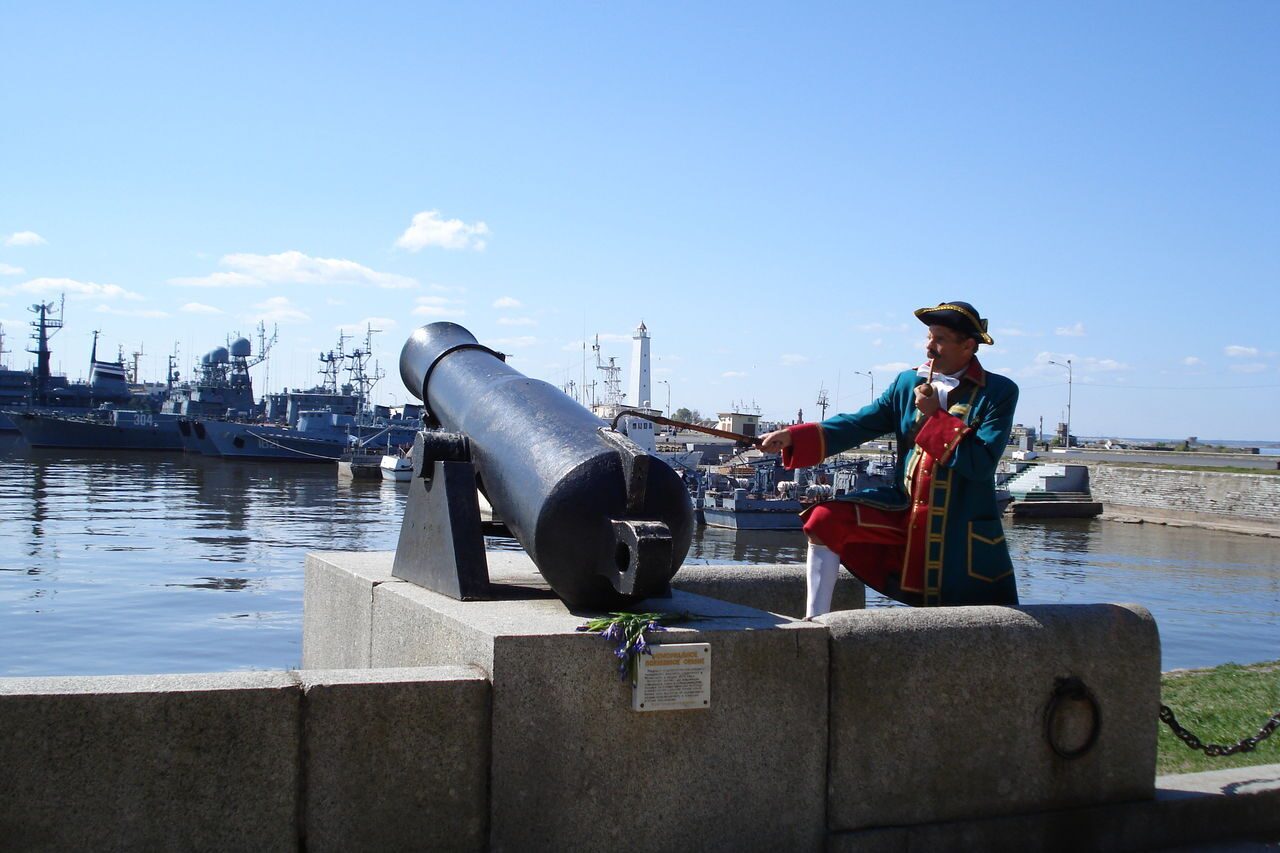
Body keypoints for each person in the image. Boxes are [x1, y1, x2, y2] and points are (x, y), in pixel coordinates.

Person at [759, 301, 1019, 614]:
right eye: (928, 337)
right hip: (905, 511)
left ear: (968, 346)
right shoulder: (906, 383)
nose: (929, 347)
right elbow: (860, 423)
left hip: (958, 529)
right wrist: (793, 436)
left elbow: (980, 463)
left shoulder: (999, 392)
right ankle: (815, 621)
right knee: (823, 520)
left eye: (939, 339)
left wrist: (935, 415)